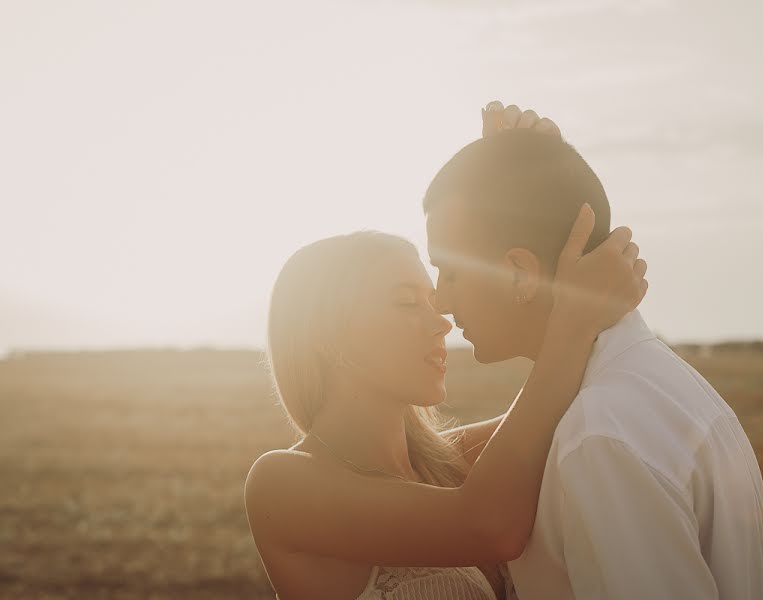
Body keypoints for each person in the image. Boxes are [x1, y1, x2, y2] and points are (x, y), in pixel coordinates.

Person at [243, 109, 648, 599]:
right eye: (407, 302)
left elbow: (555, 403)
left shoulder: (448, 462)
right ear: (327, 334)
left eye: (433, 297)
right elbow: (489, 526)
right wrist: (573, 320)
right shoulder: (282, 486)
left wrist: (527, 179)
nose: (441, 319)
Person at [423, 102, 763, 599]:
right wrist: (518, 166)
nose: (440, 298)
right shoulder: (654, 387)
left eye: (449, 271)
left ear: (520, 273)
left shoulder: (601, 435)